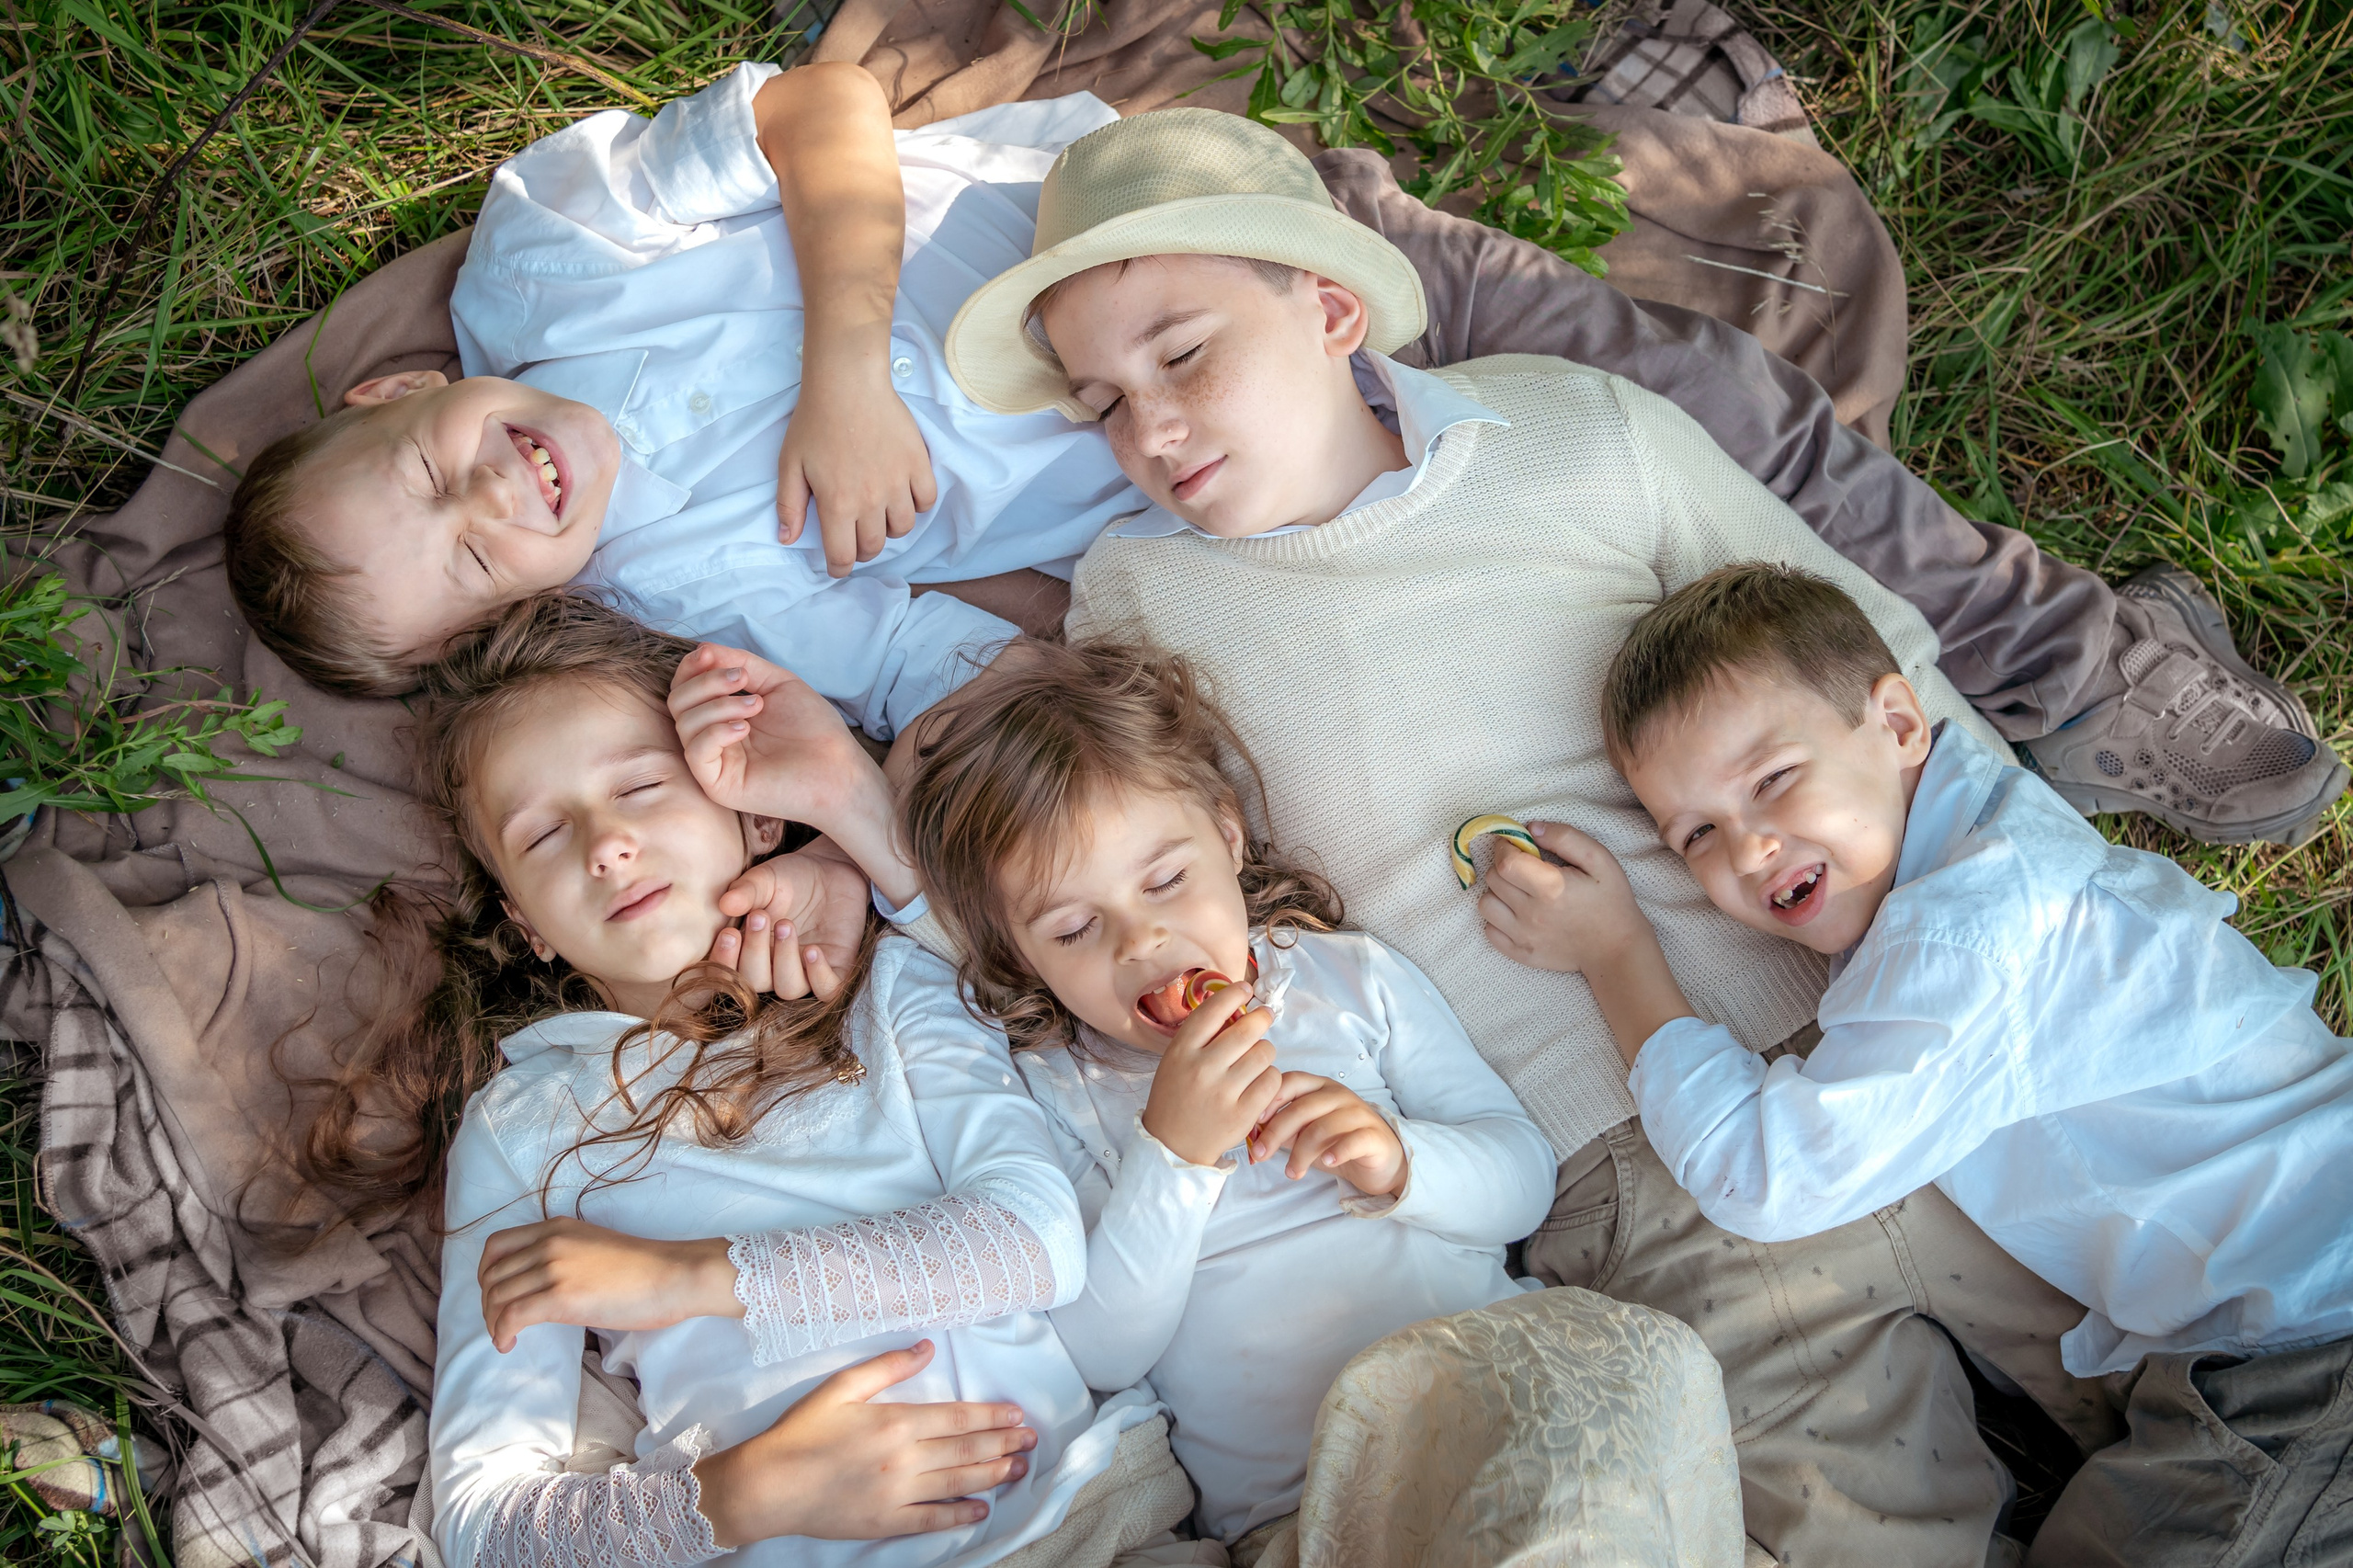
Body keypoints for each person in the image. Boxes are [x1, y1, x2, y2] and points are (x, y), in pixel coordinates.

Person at [936, 106, 2140, 1566]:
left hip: (1903, 1020)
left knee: (2217, 1363)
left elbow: (1878, 657)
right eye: (1102, 405)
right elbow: (1064, 816)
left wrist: (2042, 909)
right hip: (1625, 1164)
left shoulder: (1572, 430)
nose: (1152, 428)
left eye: (1182, 355)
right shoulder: (1139, 595)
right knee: (1872, 1532)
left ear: (1326, 308)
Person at [220, 62, 2337, 846]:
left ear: (397, 393)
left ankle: (2039, 654)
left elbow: (819, 112)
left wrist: (844, 372)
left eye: (432, 473)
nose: (501, 501)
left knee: (1694, 404)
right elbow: (933, 637)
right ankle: (1874, 765)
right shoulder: (676, 577)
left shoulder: (545, 265)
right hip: (1209, 481)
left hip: (1215, 254)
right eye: (479, 567)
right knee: (1517, 653)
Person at [1480, 561, 2353, 1566]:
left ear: (1898, 724)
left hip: (2310, 1347)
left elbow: (1769, 1174)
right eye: (1698, 834)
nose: (1753, 848)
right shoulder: (1973, 851)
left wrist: (1618, 958)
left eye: (1772, 780)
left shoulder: (1971, 928)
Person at [890, 634, 1740, 1559]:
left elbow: (1521, 1178)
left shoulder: (1346, 981)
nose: (1142, 939)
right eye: (1074, 927)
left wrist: (1398, 1158)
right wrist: (1173, 1156)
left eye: (1166, 879)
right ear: (1024, 958)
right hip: (1307, 1505)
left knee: (1643, 1379)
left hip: (1496, 1407)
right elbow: (1100, 1352)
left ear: (1226, 834)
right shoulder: (1060, 1087)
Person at [403, 592, 1199, 1568]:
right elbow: (486, 1531)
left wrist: (685, 1276)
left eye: (643, 786)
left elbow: (1032, 1244)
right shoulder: (522, 1126)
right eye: (541, 836)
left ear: (749, 817)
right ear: (526, 923)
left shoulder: (888, 976)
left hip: (1076, 1521)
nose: (606, 843)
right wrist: (743, 1492)